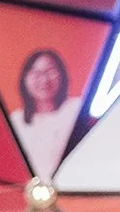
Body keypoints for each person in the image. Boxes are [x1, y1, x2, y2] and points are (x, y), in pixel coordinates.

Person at [10, 47, 77, 176]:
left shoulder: (76, 109)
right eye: (36, 73)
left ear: (62, 75)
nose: (44, 79)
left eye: (50, 71)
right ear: (25, 79)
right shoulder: (16, 120)